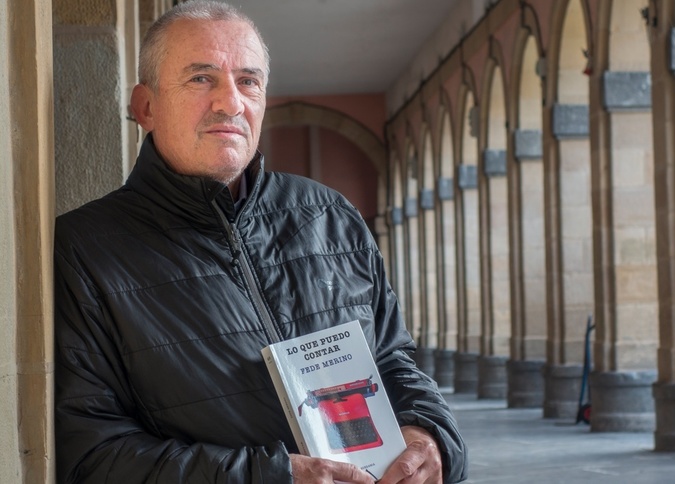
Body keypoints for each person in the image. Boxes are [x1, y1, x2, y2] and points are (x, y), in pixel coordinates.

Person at [54, 1, 468, 483]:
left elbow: (394, 361)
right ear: (145, 106)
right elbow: (91, 455)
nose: (231, 102)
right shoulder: (85, 249)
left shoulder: (330, 215)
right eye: (201, 78)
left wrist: (430, 437)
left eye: (248, 81)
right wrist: (271, 477)